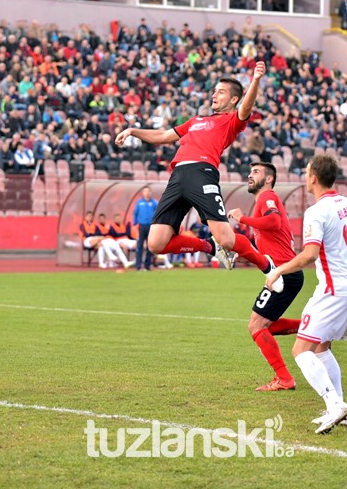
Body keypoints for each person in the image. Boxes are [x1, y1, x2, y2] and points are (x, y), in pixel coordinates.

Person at [114, 62, 281, 290]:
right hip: (178, 176)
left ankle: (266, 265)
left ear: (233, 99)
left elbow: (245, 109)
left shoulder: (231, 121)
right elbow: (162, 135)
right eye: (214, 90)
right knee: (156, 243)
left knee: (227, 239)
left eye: (220, 92)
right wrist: (133, 130)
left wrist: (255, 80)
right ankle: (208, 247)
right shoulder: (196, 121)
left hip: (202, 174)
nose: (214, 94)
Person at [265, 155, 347, 433]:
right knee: (321, 346)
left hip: (333, 290)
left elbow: (309, 255)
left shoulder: (316, 211)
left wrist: (277, 272)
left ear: (313, 178)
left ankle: (334, 404)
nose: (305, 175)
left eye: (307, 171)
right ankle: (340, 408)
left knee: (300, 350)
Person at [227, 162, 303, 392]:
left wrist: (242, 219)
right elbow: (273, 243)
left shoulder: (267, 196)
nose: (250, 175)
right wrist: (248, 256)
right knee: (263, 326)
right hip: (284, 272)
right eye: (249, 172)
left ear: (269, 179)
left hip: (284, 273)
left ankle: (285, 378)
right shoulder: (264, 200)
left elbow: (273, 222)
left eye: (256, 172)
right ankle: (311, 327)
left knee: (256, 325)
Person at [132, 187, 157, 271]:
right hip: (141, 226)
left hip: (151, 226)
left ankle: (147, 265)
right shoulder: (139, 202)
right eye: (145, 191)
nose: (147, 193)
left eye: (148, 191)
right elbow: (135, 213)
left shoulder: (154, 203)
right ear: (143, 193)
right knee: (140, 246)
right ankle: (138, 266)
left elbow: (158, 213)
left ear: (151, 192)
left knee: (150, 246)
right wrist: (134, 224)